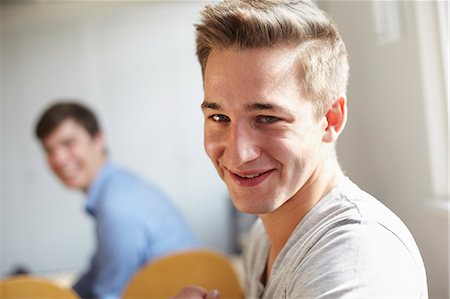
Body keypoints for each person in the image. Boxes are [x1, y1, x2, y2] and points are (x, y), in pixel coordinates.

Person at [174, 0, 428, 298]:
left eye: (267, 118)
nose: (238, 154)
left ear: (330, 119)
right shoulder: (263, 237)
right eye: (219, 118)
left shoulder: (354, 258)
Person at [35, 102, 198, 299]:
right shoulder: (117, 187)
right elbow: (96, 273)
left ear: (98, 141)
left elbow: (109, 294)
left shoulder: (116, 205)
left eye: (69, 144)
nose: (59, 159)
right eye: (49, 150)